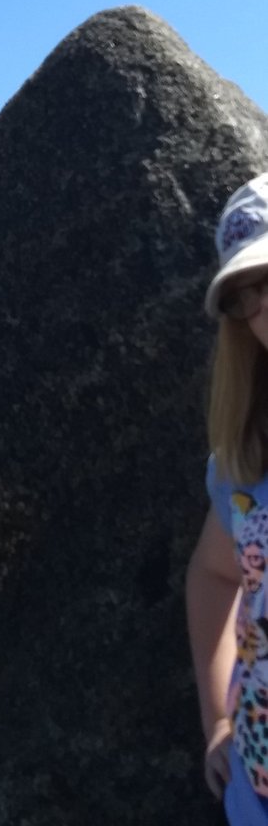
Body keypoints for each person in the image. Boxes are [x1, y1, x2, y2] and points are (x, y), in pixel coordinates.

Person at [188, 172, 268, 822]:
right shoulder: (243, 462)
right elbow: (215, 573)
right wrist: (218, 717)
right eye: (248, 294)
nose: (266, 305)